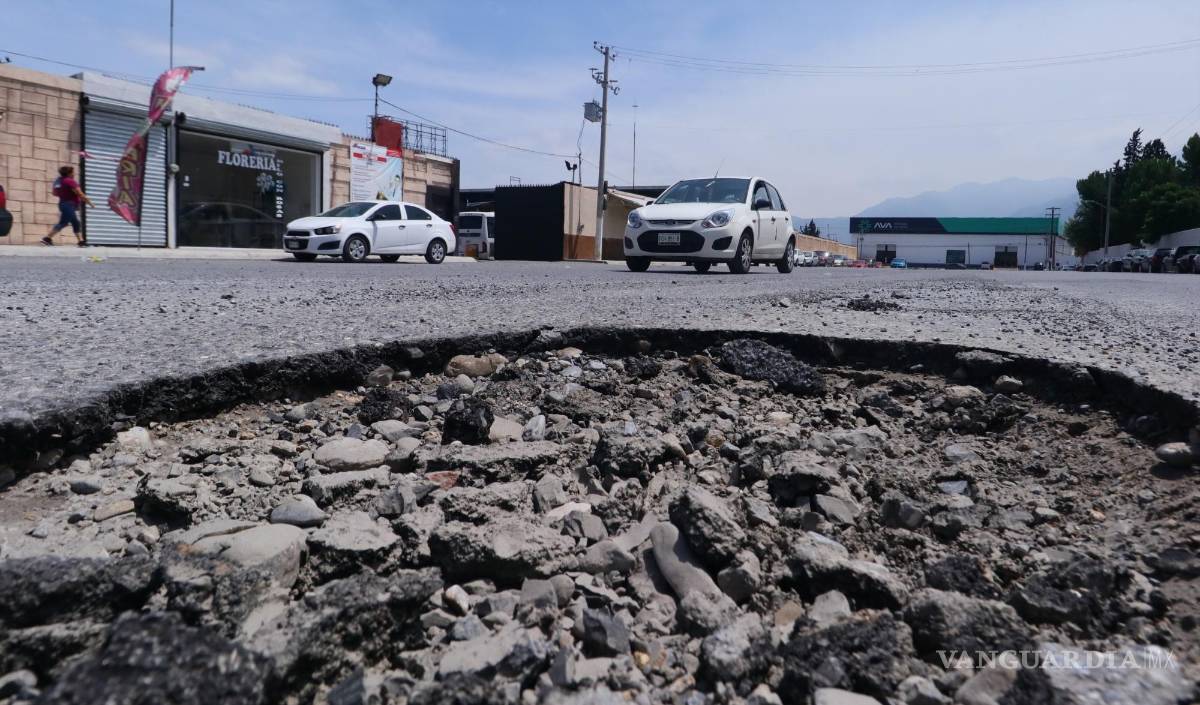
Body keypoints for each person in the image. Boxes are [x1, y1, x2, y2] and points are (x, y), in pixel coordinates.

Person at [41, 165, 93, 247]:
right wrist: (90, 203)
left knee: (76, 223)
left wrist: (64, 193)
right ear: (69, 173)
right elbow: (80, 194)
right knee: (63, 223)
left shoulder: (59, 181)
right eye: (73, 172)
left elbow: (54, 193)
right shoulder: (70, 181)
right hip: (69, 205)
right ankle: (47, 239)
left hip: (63, 204)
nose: (74, 174)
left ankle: (81, 242)